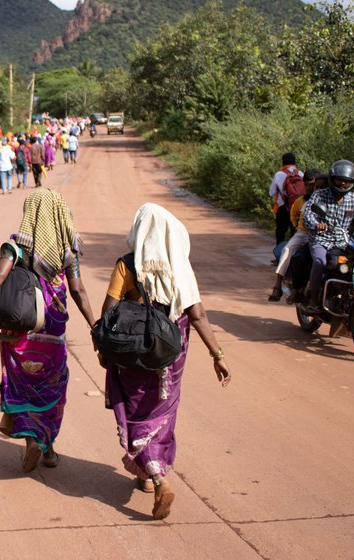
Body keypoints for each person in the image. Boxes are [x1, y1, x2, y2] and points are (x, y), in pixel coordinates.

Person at [98, 203, 231, 520]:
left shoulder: (127, 266)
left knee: (135, 413)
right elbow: (197, 315)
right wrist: (218, 355)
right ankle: (146, 475)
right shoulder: (181, 268)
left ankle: (157, 477)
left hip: (133, 357)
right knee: (161, 412)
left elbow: (108, 312)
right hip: (170, 358)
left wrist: (103, 348)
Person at [0, 189, 97, 473]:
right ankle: (48, 447)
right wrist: (94, 325)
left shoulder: (16, 248)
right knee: (51, 385)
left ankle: (31, 441)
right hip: (53, 332)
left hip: (21, 332)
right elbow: (78, 290)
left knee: (22, 384)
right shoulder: (68, 252)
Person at [301, 160, 354, 315]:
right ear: (332, 179)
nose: (343, 184)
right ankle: (313, 301)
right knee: (320, 261)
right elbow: (307, 215)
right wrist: (316, 224)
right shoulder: (320, 195)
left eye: (347, 181)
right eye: (339, 179)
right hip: (321, 239)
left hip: (343, 243)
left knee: (353, 265)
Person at [269, 169, 323, 302]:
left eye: (314, 185)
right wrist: (297, 226)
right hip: (303, 233)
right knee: (287, 250)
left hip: (323, 234)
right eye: (308, 185)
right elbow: (294, 215)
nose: (311, 188)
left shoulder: (326, 199)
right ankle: (278, 286)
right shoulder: (301, 201)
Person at [268, 153, 303, 251]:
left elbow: (272, 192)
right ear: (295, 162)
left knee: (281, 231)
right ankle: (294, 254)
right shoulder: (300, 174)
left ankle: (279, 254)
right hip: (297, 207)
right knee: (295, 231)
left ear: (283, 162)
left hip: (282, 206)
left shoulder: (279, 174)